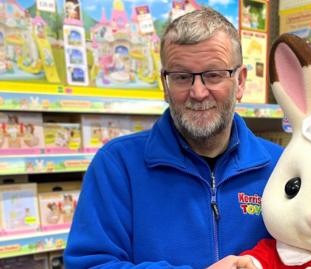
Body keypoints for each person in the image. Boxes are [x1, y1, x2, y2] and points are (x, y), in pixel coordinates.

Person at [64, 7, 283, 269]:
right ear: (165, 85)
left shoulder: (279, 167)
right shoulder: (117, 165)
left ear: (241, 82)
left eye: (213, 75)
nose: (198, 92)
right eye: (181, 77)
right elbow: (89, 264)